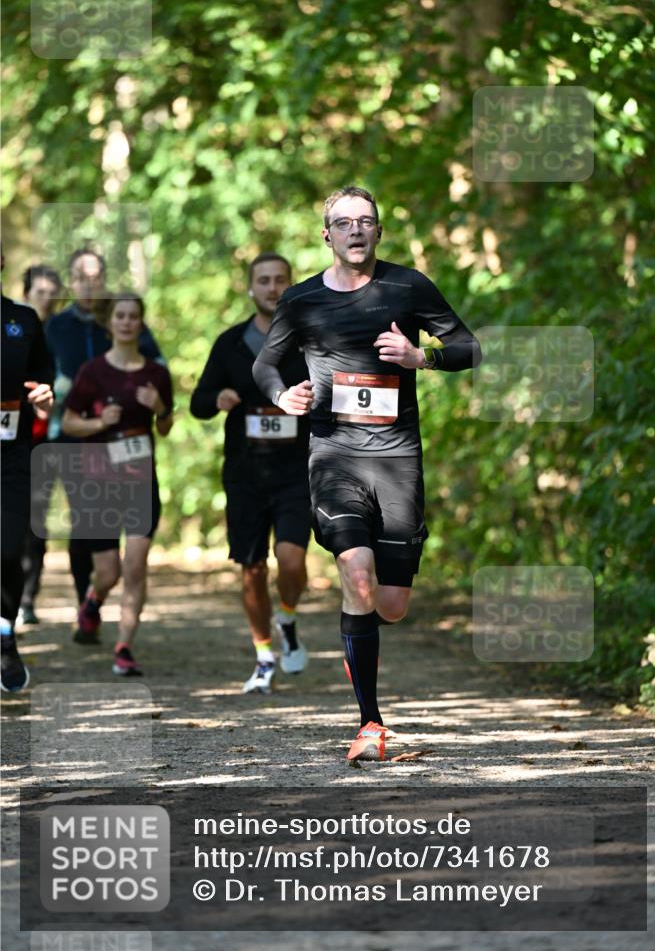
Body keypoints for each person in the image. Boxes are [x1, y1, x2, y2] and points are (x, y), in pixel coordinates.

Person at [253, 186, 482, 760]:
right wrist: (284, 397)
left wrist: (419, 358)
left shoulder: (408, 287)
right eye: (343, 221)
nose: (356, 229)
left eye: (366, 221)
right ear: (326, 234)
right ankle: (370, 724)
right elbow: (265, 364)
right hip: (334, 457)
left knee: (393, 603)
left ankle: (370, 649)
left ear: (378, 232)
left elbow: (469, 348)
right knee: (357, 575)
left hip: (399, 459)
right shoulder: (302, 301)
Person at [191, 254, 310, 694]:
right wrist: (217, 397)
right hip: (245, 473)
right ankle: (264, 655)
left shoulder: (308, 340)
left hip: (297, 468)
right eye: (264, 280)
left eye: (280, 280)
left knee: (293, 560)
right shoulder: (230, 343)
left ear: (291, 286)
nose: (272, 287)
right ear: (250, 288)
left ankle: (289, 615)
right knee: (252, 569)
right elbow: (197, 403)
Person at [61, 294, 173, 676]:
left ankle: (124, 646)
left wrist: (159, 408)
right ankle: (93, 601)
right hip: (99, 481)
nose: (127, 322)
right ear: (110, 325)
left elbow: (165, 427)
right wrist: (99, 423)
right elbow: (69, 423)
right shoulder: (92, 372)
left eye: (134, 317)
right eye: (120, 316)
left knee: (136, 566)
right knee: (108, 571)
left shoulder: (156, 375)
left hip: (142, 482)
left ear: (141, 323)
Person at [46, 248, 164, 609]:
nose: (88, 284)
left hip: (122, 440)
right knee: (85, 525)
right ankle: (88, 597)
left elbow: (155, 364)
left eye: (95, 277)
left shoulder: (120, 318)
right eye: (81, 277)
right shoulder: (55, 327)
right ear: (71, 281)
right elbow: (40, 375)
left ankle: (93, 597)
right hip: (70, 436)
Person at [1, 255, 54, 692]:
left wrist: (42, 392)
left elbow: (43, 373)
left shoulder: (22, 320)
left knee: (8, 549)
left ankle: (5, 635)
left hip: (12, 458)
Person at [17, 265, 63, 626]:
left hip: (46, 441)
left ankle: (28, 597)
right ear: (27, 291)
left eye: (52, 291)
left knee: (35, 522)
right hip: (11, 439)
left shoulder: (62, 333)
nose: (46, 298)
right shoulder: (13, 326)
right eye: (40, 291)